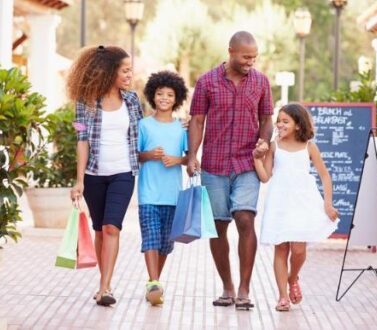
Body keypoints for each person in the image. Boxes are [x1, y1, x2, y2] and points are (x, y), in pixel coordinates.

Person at [186, 31, 274, 310]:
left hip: (248, 163)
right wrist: (192, 156)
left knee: (245, 219)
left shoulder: (261, 82)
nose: (251, 62)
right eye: (246, 56)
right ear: (231, 51)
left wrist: (264, 142)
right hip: (215, 164)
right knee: (219, 226)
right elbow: (197, 121)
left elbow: (266, 118)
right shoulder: (206, 82)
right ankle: (228, 286)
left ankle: (245, 290)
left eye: (254, 57)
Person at [67, 45, 143, 307]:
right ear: (110, 71)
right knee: (100, 229)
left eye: (130, 70)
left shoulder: (132, 101)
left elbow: (141, 135)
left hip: (124, 172)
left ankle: (105, 287)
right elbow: (81, 140)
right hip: (94, 175)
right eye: (125, 70)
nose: (129, 74)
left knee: (112, 227)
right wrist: (79, 180)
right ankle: (104, 282)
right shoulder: (84, 103)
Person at [253, 103, 340, 312]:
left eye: (285, 121)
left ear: (298, 125)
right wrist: (257, 158)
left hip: (303, 201)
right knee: (281, 248)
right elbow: (265, 177)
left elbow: (325, 175)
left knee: (299, 249)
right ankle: (283, 296)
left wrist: (328, 203)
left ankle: (293, 278)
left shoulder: (309, 146)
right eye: (279, 121)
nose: (280, 125)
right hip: (279, 201)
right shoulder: (274, 146)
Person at [136, 70, 189, 306]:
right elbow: (135, 155)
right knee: (150, 238)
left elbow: (190, 158)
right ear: (152, 96)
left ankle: (153, 281)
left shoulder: (182, 128)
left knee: (166, 244)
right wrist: (150, 155)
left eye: (170, 94)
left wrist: (177, 160)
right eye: (160, 93)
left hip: (173, 194)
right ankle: (155, 282)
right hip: (148, 193)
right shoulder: (143, 125)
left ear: (176, 99)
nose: (164, 98)